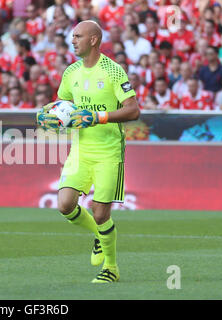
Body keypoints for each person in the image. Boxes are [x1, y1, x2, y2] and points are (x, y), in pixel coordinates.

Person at [36, 20, 140, 283]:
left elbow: (133, 110)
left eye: (78, 36)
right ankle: (98, 234)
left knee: (100, 212)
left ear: (93, 40)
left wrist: (98, 117)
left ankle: (112, 268)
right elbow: (64, 105)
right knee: (65, 205)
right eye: (72, 36)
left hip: (109, 152)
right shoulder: (71, 72)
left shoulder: (113, 71)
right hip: (80, 150)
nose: (73, 41)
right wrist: (46, 114)